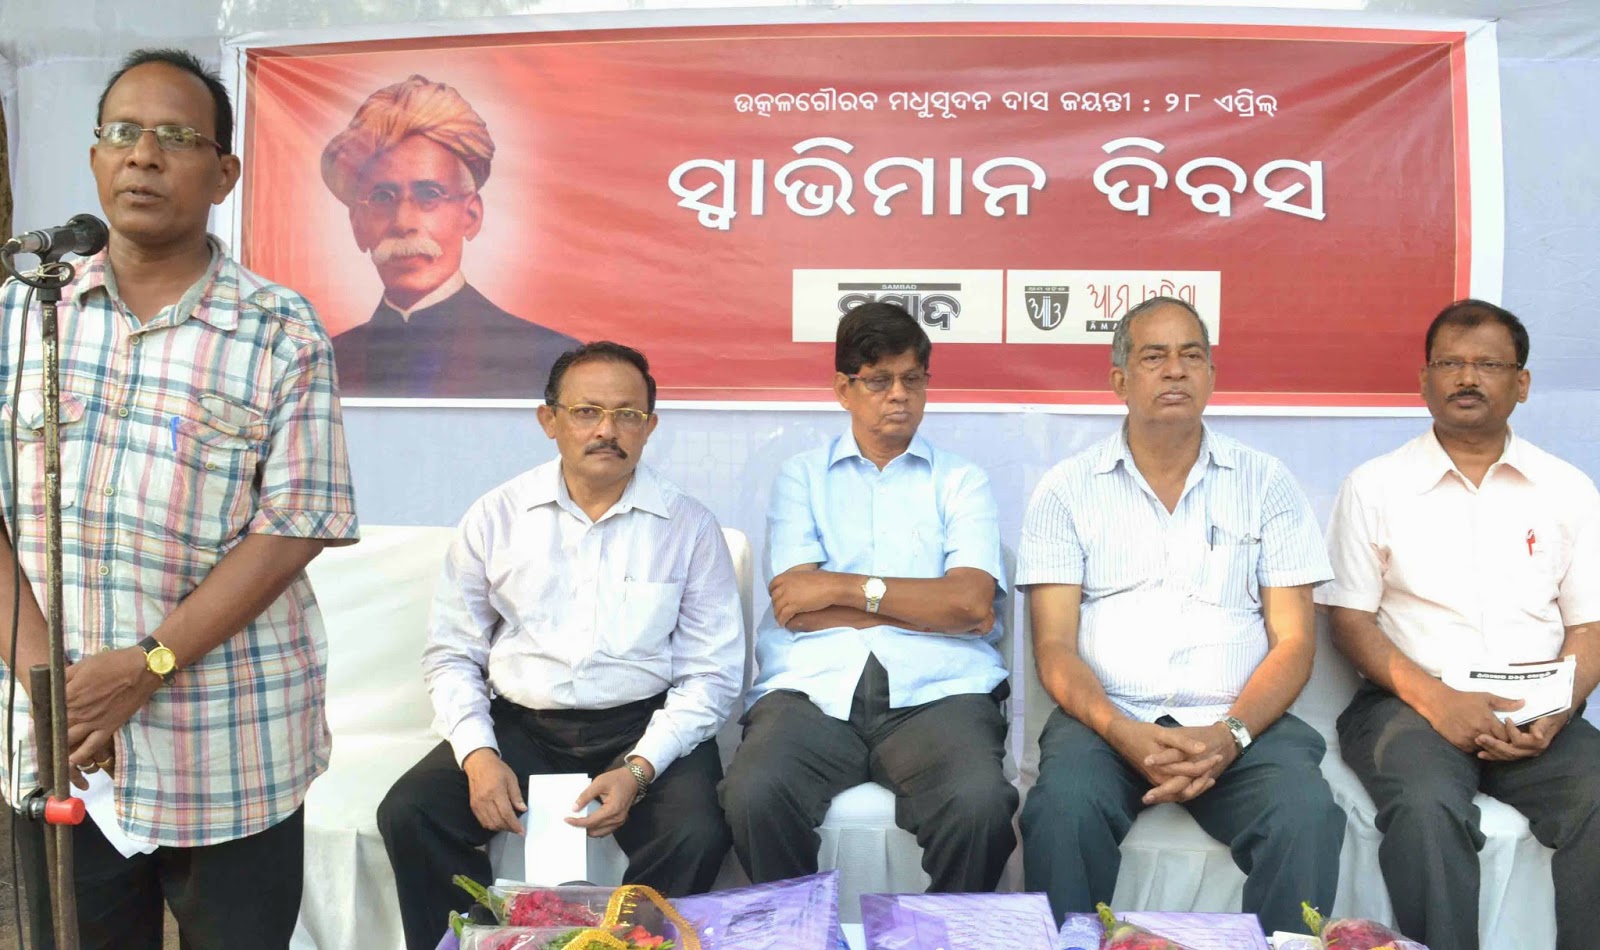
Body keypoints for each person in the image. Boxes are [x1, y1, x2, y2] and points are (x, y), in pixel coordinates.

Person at [0, 49, 358, 949]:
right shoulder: (20, 313)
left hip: (230, 746)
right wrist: (53, 692)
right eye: (122, 132)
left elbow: (296, 526)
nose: (144, 155)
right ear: (95, 157)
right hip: (62, 749)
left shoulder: (279, 330)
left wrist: (147, 666)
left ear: (224, 174)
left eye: (176, 137)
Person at [377, 341, 741, 949]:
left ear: (650, 427)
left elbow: (712, 674)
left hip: (641, 724)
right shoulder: (496, 516)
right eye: (586, 411)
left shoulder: (689, 526)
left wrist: (639, 769)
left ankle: (625, 947)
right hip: (522, 723)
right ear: (549, 420)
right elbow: (452, 653)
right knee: (411, 812)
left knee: (697, 832)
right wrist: (478, 755)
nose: (607, 430)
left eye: (627, 415)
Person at [1017, 296, 1344, 931]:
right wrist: (1120, 731)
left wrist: (1230, 735)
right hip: (1108, 725)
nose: (1175, 370)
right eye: (1154, 357)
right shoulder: (1066, 489)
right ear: (1120, 381)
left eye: (1191, 355)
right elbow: (1053, 647)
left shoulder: (1266, 483)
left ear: (1212, 376)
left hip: (1239, 726)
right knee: (1061, 811)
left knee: (1305, 814)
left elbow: (1294, 641)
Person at [1320, 300, 1600, 950]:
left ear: (1521, 383)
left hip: (1538, 710)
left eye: (1488, 365)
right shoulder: (1375, 486)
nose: (1467, 378)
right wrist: (1438, 701)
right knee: (1425, 809)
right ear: (1424, 380)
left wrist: (1557, 709)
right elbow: (1351, 622)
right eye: (1450, 363)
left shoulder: (1567, 489)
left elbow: (1590, 627)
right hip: (1409, 706)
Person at [719, 302, 1017, 892]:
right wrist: (927, 609)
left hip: (938, 694)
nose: (899, 395)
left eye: (913, 379)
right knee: (754, 794)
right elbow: (796, 607)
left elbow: (971, 606)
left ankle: (941, 934)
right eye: (879, 380)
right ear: (843, 389)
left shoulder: (961, 481)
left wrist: (843, 587)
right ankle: (801, 928)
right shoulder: (801, 478)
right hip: (812, 693)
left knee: (979, 806)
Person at [320, 74, 578, 397]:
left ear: (471, 216)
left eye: (429, 195)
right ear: (357, 225)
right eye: (382, 197)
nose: (403, 222)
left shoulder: (550, 361)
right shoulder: (326, 366)